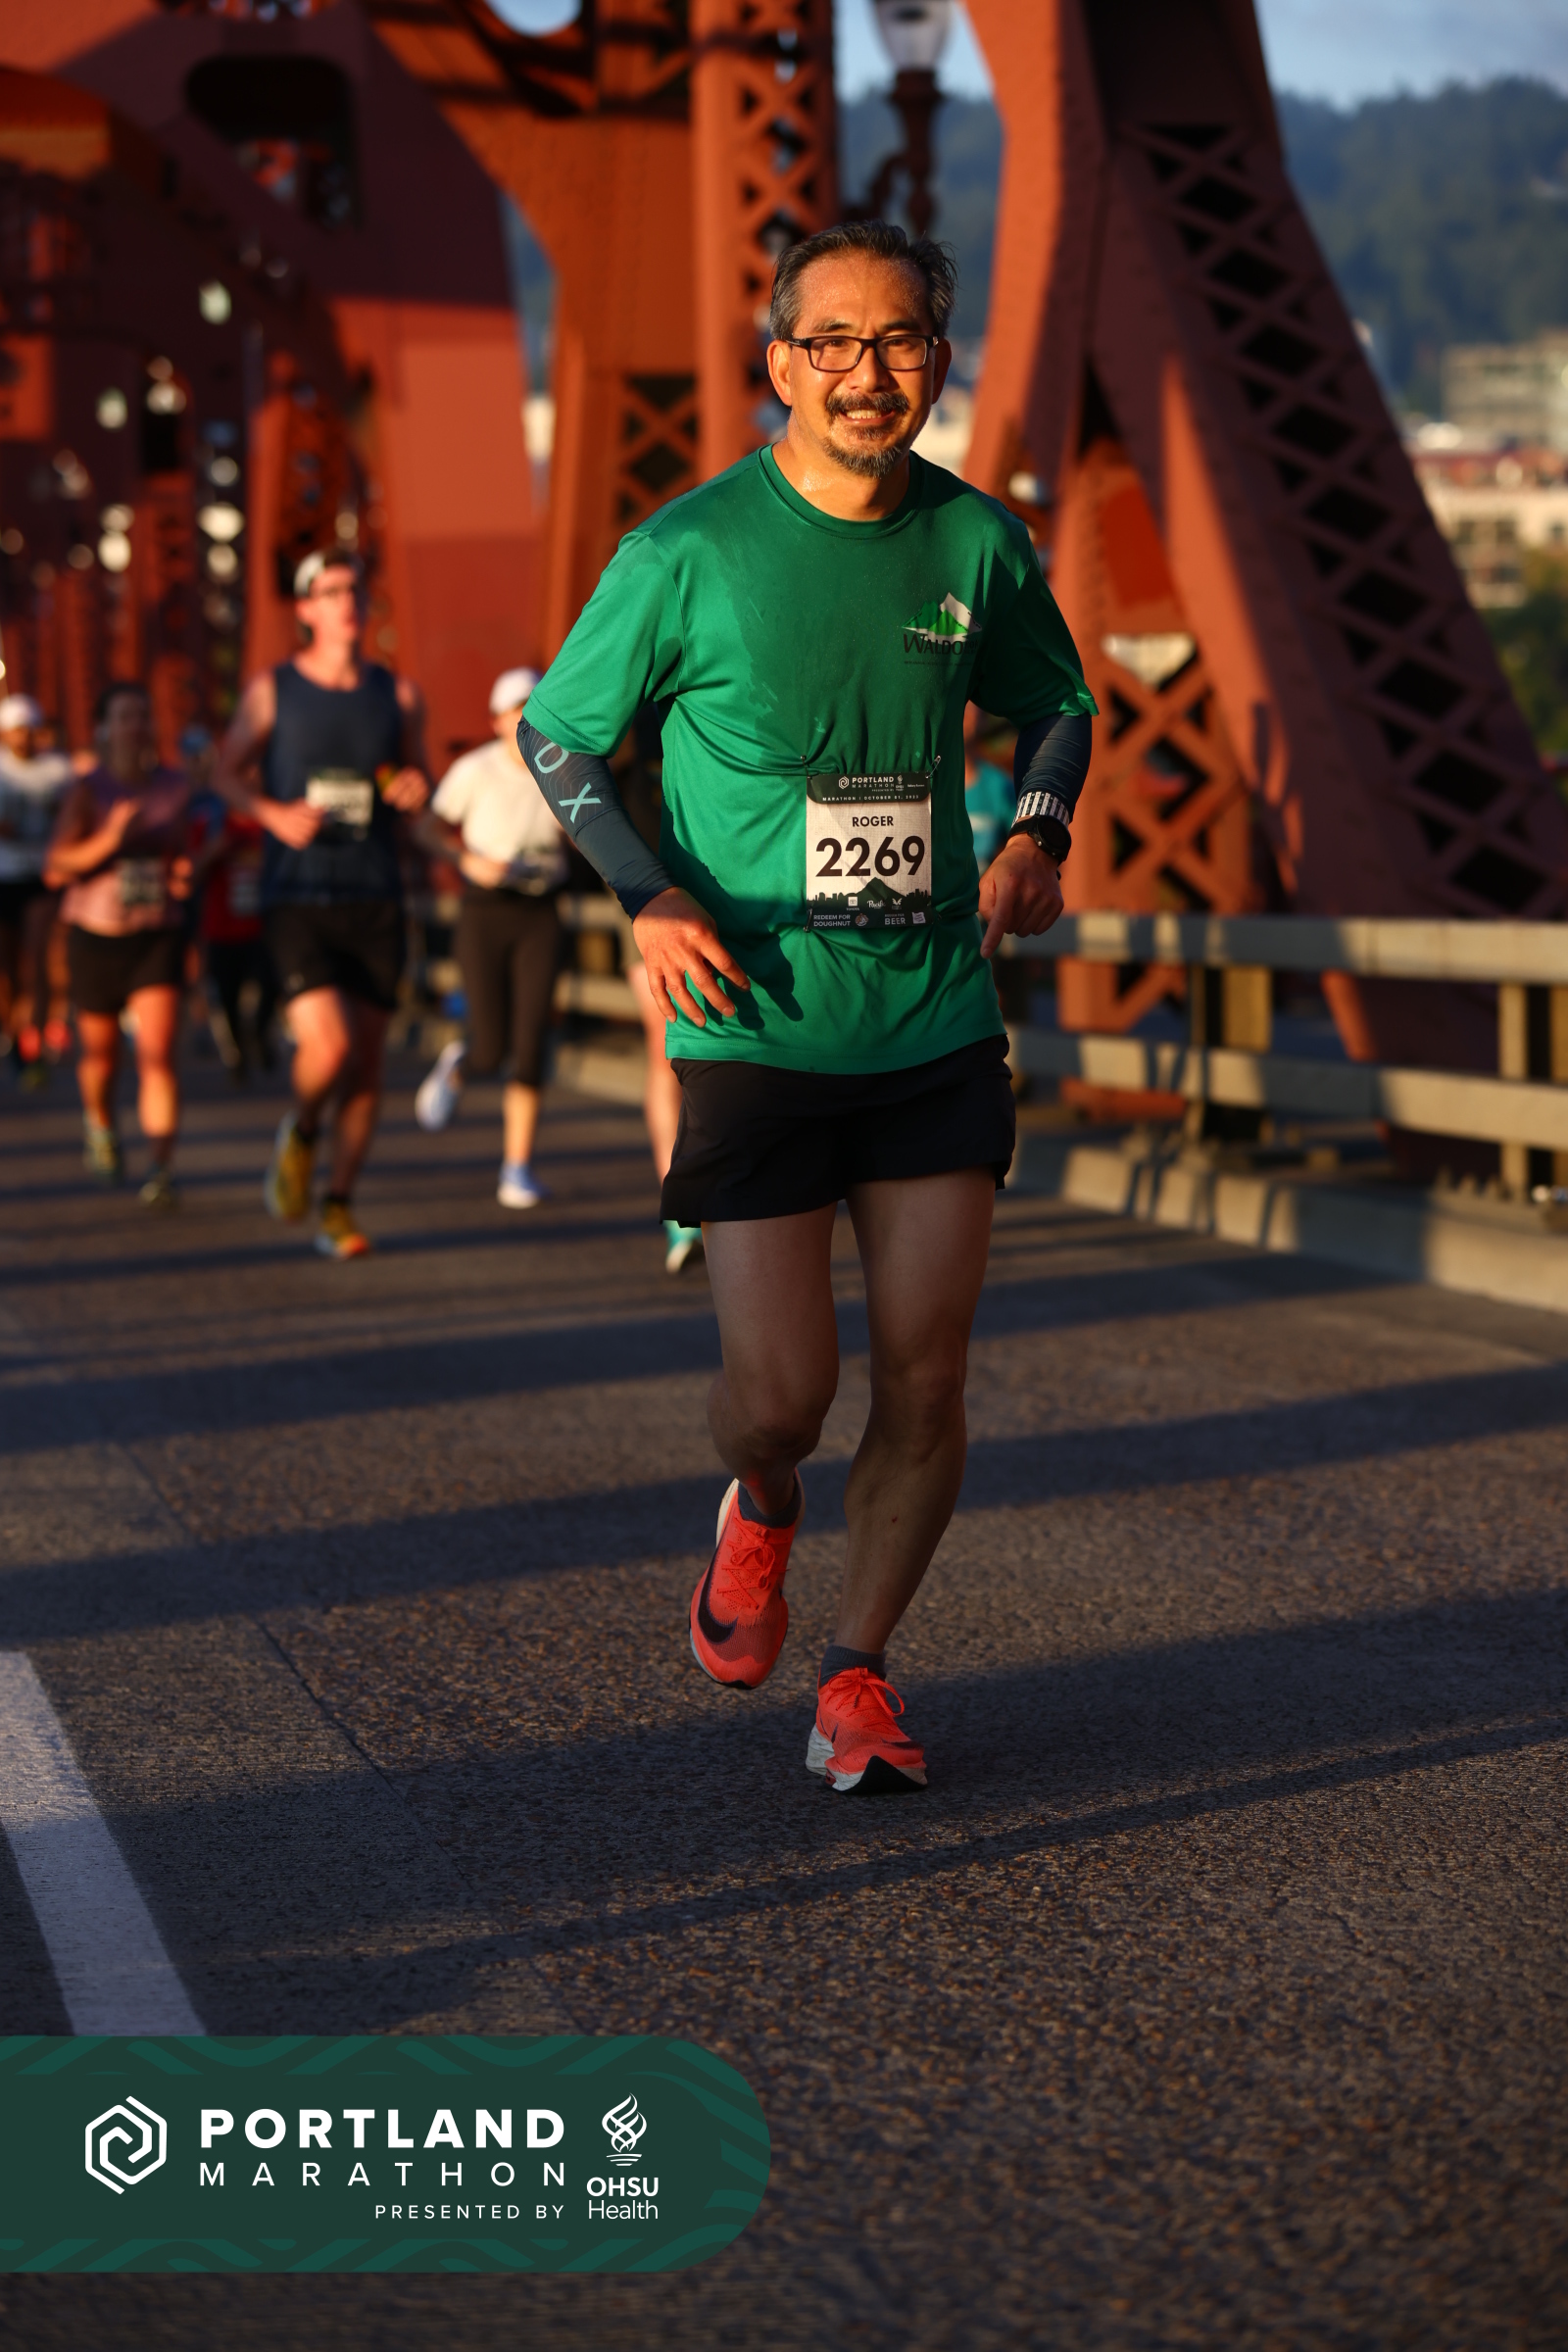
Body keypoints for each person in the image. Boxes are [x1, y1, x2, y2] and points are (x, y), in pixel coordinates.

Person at [518, 220, 1096, 1793]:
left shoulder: (974, 541)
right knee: (784, 1396)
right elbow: (559, 739)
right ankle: (762, 1502)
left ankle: (857, 1671)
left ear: (939, 362)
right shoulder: (685, 552)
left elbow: (1056, 702)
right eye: (831, 341)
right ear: (780, 364)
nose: (866, 371)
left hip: (930, 1016)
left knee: (928, 1375)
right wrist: (650, 895)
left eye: (898, 339)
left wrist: (1037, 834)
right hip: (757, 1022)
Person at [214, 549, 430, 1258]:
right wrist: (272, 814)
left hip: (374, 894)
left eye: (354, 590)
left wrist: (413, 788)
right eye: (330, 591)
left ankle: (338, 1205)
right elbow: (225, 772)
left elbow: (414, 774)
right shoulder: (272, 690)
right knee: (329, 1047)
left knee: (365, 1066)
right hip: (299, 893)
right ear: (305, 609)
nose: (347, 602)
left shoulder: (398, 695)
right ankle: (303, 1128)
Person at [413, 665, 567, 1207]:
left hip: (540, 910)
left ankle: (517, 1167)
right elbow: (427, 828)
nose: (527, 719)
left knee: (531, 1045)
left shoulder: (565, 767)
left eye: (536, 707)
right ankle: (461, 1062)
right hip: (485, 911)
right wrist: (467, 860)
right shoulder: (473, 770)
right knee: (491, 1046)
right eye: (516, 710)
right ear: (497, 720)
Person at [45, 679, 193, 1206]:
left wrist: (182, 871)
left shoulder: (174, 786)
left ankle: (161, 1167)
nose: (137, 726)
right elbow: (56, 865)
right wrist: (110, 838)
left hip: (156, 931)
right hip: (97, 934)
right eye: (126, 716)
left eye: (144, 715)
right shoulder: (89, 789)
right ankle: (101, 1122)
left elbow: (181, 850)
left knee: (158, 1054)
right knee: (102, 1057)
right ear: (105, 729)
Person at [0, 692, 73, 1089]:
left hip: (41, 877)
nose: (23, 738)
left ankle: (37, 1040)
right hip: (4, 876)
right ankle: (12, 1035)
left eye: (29, 730)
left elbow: (74, 816)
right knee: (9, 967)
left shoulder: (57, 772)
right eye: (16, 731)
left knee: (39, 957)